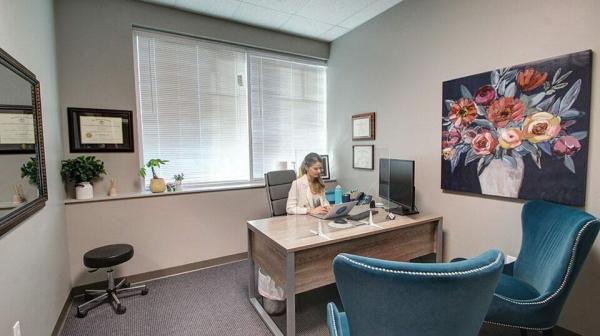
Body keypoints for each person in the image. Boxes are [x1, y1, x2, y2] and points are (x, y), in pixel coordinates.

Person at [260, 153, 331, 315]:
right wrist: (309, 210)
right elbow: (289, 208)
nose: (319, 171)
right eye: (316, 168)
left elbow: (324, 201)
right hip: (300, 226)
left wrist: (327, 207)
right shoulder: (297, 184)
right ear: (306, 167)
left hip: (319, 223)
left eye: (321, 168)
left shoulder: (320, 184)